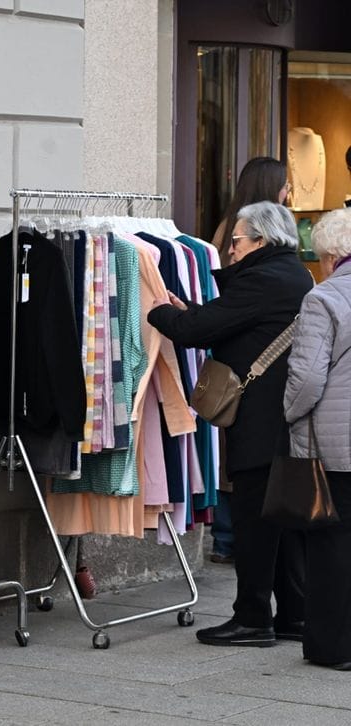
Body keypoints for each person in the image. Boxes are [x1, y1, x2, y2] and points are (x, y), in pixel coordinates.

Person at [148, 201, 312, 647]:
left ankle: (253, 619)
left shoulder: (262, 279)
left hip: (260, 423)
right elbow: (235, 323)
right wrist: (193, 311)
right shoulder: (293, 274)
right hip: (285, 423)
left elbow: (195, 331)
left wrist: (158, 309)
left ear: (260, 239)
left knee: (256, 523)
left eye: (236, 241)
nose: (230, 250)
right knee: (284, 524)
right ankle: (295, 615)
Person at [208, 157, 290, 565]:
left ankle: (227, 537)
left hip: (238, 358)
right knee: (238, 456)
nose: (289, 193)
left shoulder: (231, 230)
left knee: (237, 456)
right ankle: (228, 537)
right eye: (285, 185)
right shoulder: (255, 244)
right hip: (248, 364)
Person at [283, 208, 351, 670]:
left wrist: (288, 412)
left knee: (332, 545)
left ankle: (333, 647)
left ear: (330, 255)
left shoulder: (324, 297)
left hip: (338, 444)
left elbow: (306, 378)